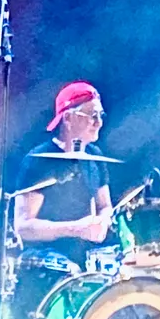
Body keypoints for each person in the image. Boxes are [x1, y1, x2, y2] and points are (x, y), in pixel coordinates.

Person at [8, 80, 114, 266]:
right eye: (92, 115)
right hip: (46, 261)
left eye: (100, 115)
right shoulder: (39, 160)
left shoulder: (95, 156)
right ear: (67, 118)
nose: (98, 123)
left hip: (88, 257)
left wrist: (102, 221)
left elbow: (105, 205)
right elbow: (23, 227)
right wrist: (75, 229)